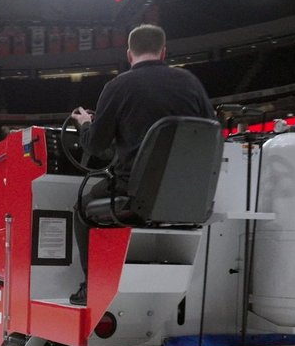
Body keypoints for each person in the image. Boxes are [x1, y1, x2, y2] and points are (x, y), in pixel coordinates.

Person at [69, 24, 215, 305]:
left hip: (136, 194)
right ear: (163, 52)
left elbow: (96, 145)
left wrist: (86, 124)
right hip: (190, 195)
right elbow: (210, 130)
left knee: (82, 209)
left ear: (129, 54)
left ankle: (93, 287)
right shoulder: (190, 82)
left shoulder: (118, 86)